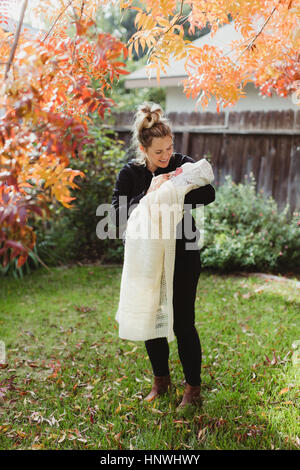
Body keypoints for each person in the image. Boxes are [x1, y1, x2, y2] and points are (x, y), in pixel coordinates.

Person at [111, 102, 215, 411]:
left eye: (169, 148)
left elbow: (208, 193)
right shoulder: (130, 174)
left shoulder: (180, 163)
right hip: (147, 259)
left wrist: (177, 184)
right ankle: (161, 380)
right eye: (158, 152)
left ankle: (193, 389)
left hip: (183, 254)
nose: (166, 156)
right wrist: (149, 195)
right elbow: (117, 218)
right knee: (151, 316)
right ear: (143, 149)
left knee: (183, 322)